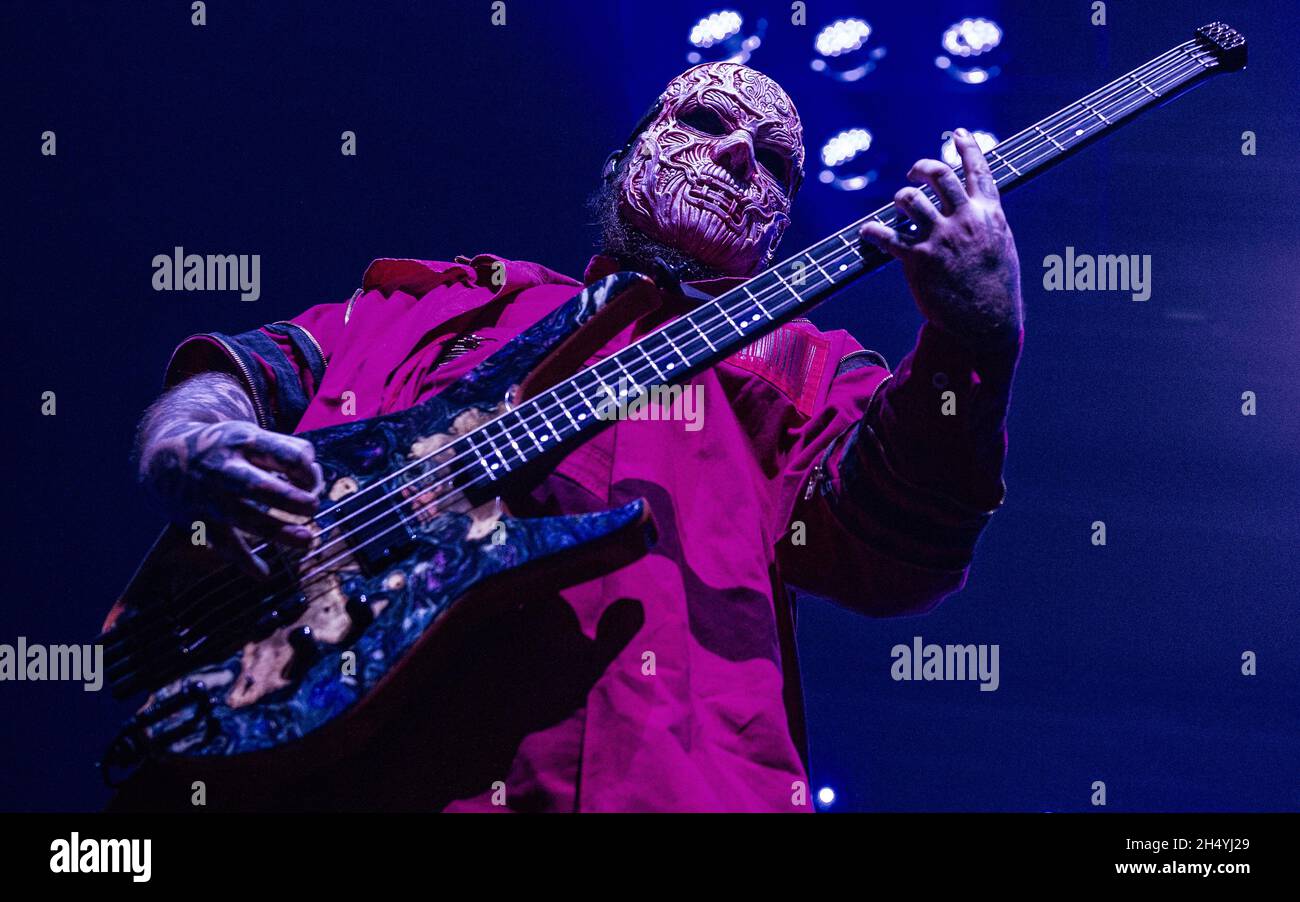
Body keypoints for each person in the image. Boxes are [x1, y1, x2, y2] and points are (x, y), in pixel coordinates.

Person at [130, 62, 1022, 812]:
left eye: (781, 167)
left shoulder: (805, 369)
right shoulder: (452, 301)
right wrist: (186, 440)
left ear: (782, 223)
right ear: (633, 150)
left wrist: (973, 343)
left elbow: (902, 552)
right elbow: (251, 369)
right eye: (707, 120)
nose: (743, 154)